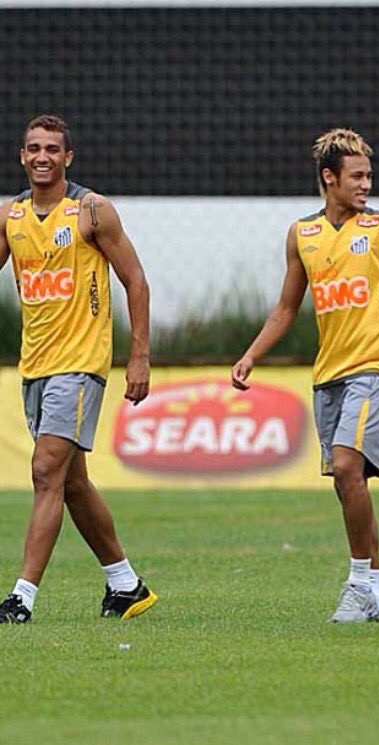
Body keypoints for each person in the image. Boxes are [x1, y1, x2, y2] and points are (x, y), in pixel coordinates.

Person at [231, 128, 379, 623]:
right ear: (330, 178)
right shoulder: (302, 234)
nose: (366, 184)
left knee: (345, 467)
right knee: (349, 483)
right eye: (356, 176)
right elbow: (286, 307)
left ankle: (358, 583)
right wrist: (251, 355)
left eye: (369, 176)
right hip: (328, 376)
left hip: (376, 368)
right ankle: (377, 593)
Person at [0, 114, 156, 624]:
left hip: (81, 365)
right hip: (35, 366)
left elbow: (135, 280)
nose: (42, 157)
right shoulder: (11, 217)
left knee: (45, 470)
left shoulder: (91, 211)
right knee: (72, 484)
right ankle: (126, 584)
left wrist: (139, 356)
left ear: (68, 157)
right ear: (22, 157)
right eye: (33, 148)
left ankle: (21, 598)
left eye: (52, 149)